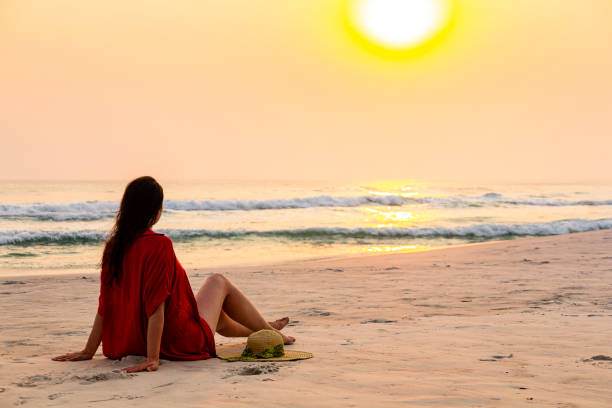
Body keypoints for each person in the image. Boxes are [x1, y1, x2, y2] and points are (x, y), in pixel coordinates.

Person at [52, 176, 294, 372]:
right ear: (156, 211)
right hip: (175, 342)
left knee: (218, 317)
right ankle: (271, 333)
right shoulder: (159, 245)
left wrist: (88, 351)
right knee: (218, 281)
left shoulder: (114, 246)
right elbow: (156, 308)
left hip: (125, 343)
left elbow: (105, 306)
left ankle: (265, 329)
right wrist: (152, 359)